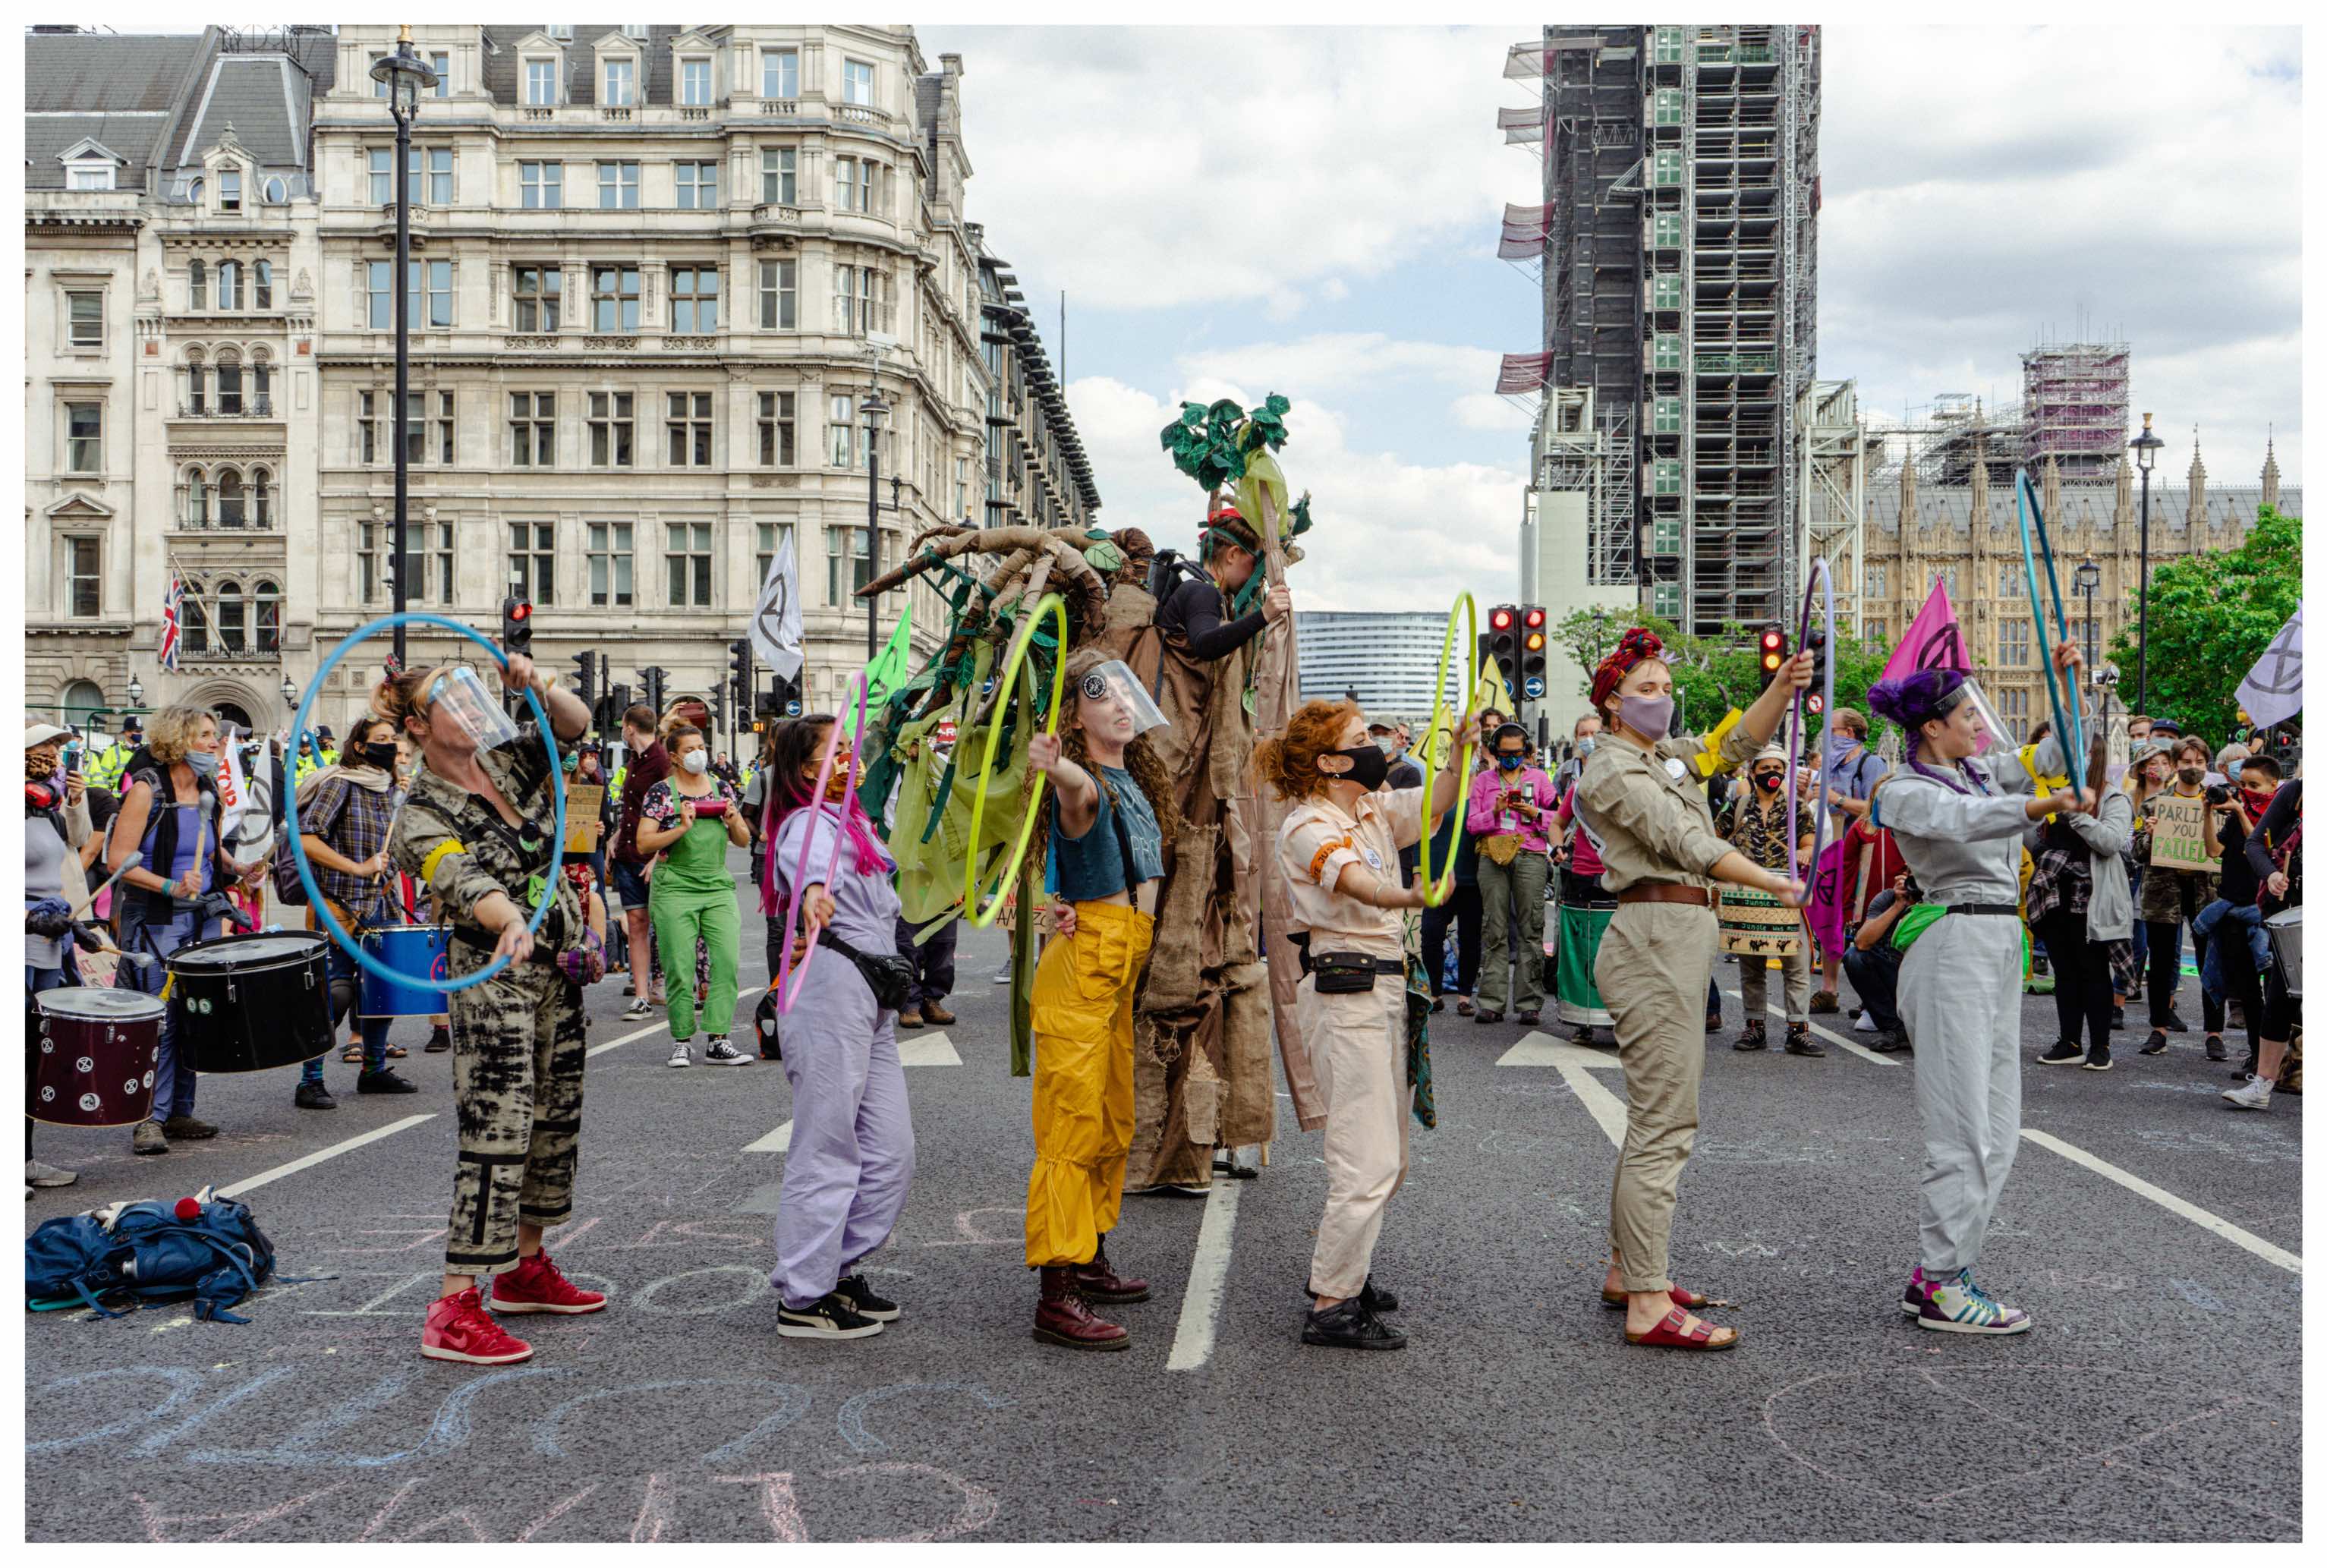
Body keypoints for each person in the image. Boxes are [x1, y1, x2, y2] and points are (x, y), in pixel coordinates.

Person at [1576, 628, 1811, 1352]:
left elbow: (1734, 744)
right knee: (1664, 1125)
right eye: (1646, 689)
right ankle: (1648, 1302)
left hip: (1674, 933)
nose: (1663, 697)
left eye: (1664, 685)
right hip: (1655, 933)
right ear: (1613, 703)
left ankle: (1629, 1272)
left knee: (1655, 1118)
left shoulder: (1657, 755)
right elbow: (1689, 844)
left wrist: (1782, 686)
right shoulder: (1610, 770)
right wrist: (1773, 881)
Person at [382, 655, 604, 1365]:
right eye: (450, 697)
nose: (469, 702)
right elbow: (459, 872)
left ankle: (523, 1271)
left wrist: (538, 685)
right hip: (493, 975)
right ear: (419, 725)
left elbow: (576, 724)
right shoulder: (419, 811)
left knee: (553, 1120)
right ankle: (453, 1305)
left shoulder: (506, 762)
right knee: (497, 1130)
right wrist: (509, 917)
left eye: (471, 688)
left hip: (557, 976)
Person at [1866, 654, 2092, 1335]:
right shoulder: (1902, 789)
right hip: (1951, 946)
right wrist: (2048, 803)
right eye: (1968, 715)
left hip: (1999, 946)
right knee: (1962, 1129)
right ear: (1933, 728)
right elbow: (1970, 822)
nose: (1980, 725)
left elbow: (2066, 751)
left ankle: (1944, 1270)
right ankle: (1941, 1285)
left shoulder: (1980, 769)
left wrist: (2071, 682)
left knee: (1998, 1133)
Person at [1264, 697, 1478, 1349]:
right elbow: (1356, 883)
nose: (1378, 746)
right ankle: (1331, 1303)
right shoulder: (1305, 823)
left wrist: (1462, 750)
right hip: (1347, 989)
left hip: (1386, 988)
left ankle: (1346, 1274)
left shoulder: (1370, 809)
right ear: (1329, 762)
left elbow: (1439, 800)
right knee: (1365, 1158)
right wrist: (1410, 896)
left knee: (1391, 1153)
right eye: (1362, 739)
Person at [1119, 502, 1291, 1197]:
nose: (1256, 577)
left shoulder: (1210, 594)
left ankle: (1189, 1144)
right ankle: (1150, 1147)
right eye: (1254, 563)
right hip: (1176, 775)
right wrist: (1264, 617)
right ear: (1233, 556)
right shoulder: (1198, 593)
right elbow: (1210, 644)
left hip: (1198, 794)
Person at [1023, 648, 1181, 1348]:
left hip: (1114, 965)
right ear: (1074, 714)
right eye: (1100, 694)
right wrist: (1054, 764)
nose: (1119, 703)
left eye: (1124, 693)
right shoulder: (1089, 781)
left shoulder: (1134, 780)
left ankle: (1087, 1257)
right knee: (1072, 1126)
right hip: (1084, 968)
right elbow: (1074, 793)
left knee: (1114, 1116)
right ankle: (1055, 1294)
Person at [760, 713, 915, 1338]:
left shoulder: (857, 824)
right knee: (827, 1145)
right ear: (806, 770)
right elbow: (809, 865)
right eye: (838, 751)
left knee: (892, 1153)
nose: (852, 758)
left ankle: (837, 1267)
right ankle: (803, 1295)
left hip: (868, 999)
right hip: (828, 992)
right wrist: (816, 894)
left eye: (852, 748)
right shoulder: (807, 824)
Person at [106, 706, 263, 1157]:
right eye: (206, 735)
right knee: (161, 1023)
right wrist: (171, 884)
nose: (215, 743)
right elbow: (118, 861)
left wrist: (239, 870)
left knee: (194, 1015)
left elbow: (211, 855)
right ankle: (146, 1119)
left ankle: (179, 1110)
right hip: (156, 921)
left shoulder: (208, 788)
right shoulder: (146, 790)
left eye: (215, 735)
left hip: (202, 919)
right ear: (179, 739)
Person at [290, 712, 419, 1109]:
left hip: (382, 905)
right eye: (381, 738)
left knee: (381, 992)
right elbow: (307, 838)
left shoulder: (394, 791)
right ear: (361, 747)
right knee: (335, 993)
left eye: (393, 737)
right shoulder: (341, 785)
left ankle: (373, 1069)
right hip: (340, 906)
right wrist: (357, 867)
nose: (391, 745)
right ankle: (310, 1080)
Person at [634, 722, 751, 1067]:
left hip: (716, 884)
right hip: (675, 886)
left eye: (701, 746)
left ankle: (719, 1039)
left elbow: (743, 839)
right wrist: (682, 827)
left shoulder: (721, 787)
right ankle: (682, 1039)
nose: (698, 753)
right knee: (679, 967)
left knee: (727, 961)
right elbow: (643, 842)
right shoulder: (661, 792)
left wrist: (732, 820)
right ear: (674, 756)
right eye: (689, 749)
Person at [2027, 728, 2135, 1072]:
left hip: (2091, 896)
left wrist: (2075, 813)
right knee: (2065, 971)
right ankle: (2069, 1041)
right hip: (2053, 892)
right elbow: (2032, 837)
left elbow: (2111, 842)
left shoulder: (2113, 799)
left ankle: (2100, 1046)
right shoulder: (2051, 792)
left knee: (2093, 971)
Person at [1717, 740, 1822, 1056]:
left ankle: (1798, 1030)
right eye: (1766, 768)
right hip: (1745, 894)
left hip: (1785, 893)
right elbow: (1713, 840)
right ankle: (1754, 1028)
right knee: (1751, 966)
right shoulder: (1738, 806)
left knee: (1796, 963)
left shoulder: (1796, 808)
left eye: (1778, 768)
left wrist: (1804, 853)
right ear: (1753, 772)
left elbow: (1809, 843)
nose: (1772, 773)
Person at [25, 723, 94, 1190]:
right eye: (43, 747)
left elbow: (80, 839)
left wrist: (74, 801)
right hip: (24, 937)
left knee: (34, 1054)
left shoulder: (44, 804)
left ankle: (24, 1159)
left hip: (51, 939)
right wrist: (27, 921)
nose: (53, 755)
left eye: (57, 748)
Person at [2130, 739, 2225, 1059]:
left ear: (2207, 765)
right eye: (2186, 760)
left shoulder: (2218, 804)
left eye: (2199, 760)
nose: (2193, 766)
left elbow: (2226, 850)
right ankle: (2159, 1029)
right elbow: (2137, 852)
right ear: (2174, 765)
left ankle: (2215, 1033)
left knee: (2210, 963)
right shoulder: (2155, 805)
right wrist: (2151, 834)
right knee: (2159, 965)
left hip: (2207, 894)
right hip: (2163, 893)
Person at [2199, 755, 2289, 1087]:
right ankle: (2254, 1055)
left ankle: (2272, 1063)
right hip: (2230, 907)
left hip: (2261, 913)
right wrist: (2208, 813)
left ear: (2273, 786)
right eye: (2243, 785)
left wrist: (2239, 810)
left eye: (2255, 785)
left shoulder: (2280, 816)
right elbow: (2212, 851)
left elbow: (2261, 850)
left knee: (2273, 993)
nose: (2247, 791)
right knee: (2247, 992)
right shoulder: (2237, 814)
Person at [1467, 723, 1554, 1026]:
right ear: (1495, 752)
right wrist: (1495, 812)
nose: (1511, 759)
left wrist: (1536, 814)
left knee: (1531, 926)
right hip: (1493, 855)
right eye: (1504, 753)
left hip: (1530, 854)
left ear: (1526, 751)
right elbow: (1472, 824)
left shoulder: (1541, 779)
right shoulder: (1483, 782)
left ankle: (1530, 1003)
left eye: (1517, 753)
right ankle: (1491, 1002)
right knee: (1494, 927)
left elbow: (1558, 819)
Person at [2224, 775, 2300, 1111]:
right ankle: (2263, 1084)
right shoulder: (2298, 792)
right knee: (2281, 995)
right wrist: (2270, 874)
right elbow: (2254, 844)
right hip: (2295, 909)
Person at [1815, 708, 1887, 1012]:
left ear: (1849, 733)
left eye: (1832, 730)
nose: (1827, 737)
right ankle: (1829, 989)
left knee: (1861, 918)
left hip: (1862, 851)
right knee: (1830, 915)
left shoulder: (1872, 763)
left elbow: (1880, 807)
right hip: (1830, 848)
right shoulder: (1829, 765)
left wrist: (1836, 799)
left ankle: (1870, 995)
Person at [1551, 747, 1615, 1045]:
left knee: (1619, 950)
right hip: (1583, 873)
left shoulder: (1630, 792)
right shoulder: (1578, 791)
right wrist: (1556, 847)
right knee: (1583, 947)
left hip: (1619, 875)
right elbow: (1557, 824)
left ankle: (1619, 1016)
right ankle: (1582, 1018)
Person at [611, 704, 669, 1021]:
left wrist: (660, 856)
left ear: (629, 727)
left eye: (622, 725)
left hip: (652, 856)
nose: (622, 730)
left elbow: (672, 810)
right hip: (628, 854)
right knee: (636, 923)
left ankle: (673, 984)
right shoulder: (633, 760)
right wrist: (616, 836)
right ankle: (642, 995)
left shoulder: (661, 761)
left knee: (665, 924)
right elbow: (633, 808)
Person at [1419, 786, 1482, 1017]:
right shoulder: (1435, 797)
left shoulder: (1481, 794)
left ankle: (1465, 996)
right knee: (1430, 934)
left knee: (1470, 939)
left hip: (1472, 880)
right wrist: (1419, 872)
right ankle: (1435, 994)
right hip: (1438, 879)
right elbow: (1420, 834)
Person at [1847, 873, 1918, 1053]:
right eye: (1911, 876)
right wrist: (1898, 904)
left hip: (1923, 977)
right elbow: (1862, 942)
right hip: (1894, 972)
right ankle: (1895, 1028)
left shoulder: (1939, 902)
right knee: (1854, 957)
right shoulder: (1888, 898)